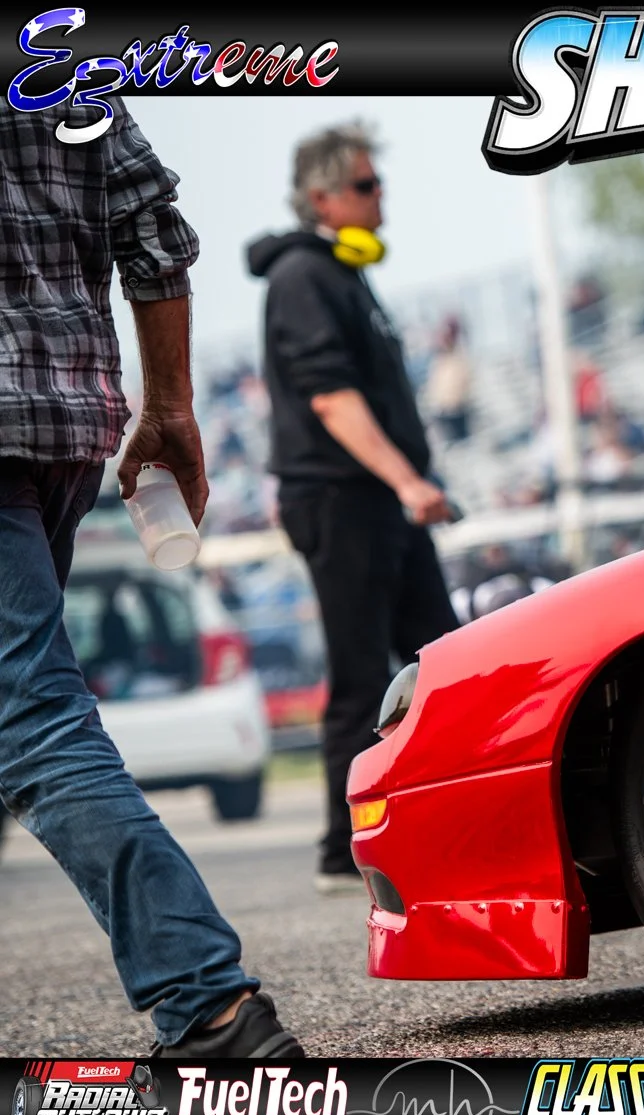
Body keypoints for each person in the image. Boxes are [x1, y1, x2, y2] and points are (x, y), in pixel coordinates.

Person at [0, 99, 301, 1057]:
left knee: (31, 722)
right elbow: (151, 225)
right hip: (62, 427)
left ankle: (211, 1008)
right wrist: (169, 403)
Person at [246, 122, 460, 895]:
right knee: (361, 672)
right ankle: (343, 851)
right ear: (322, 197)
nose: (380, 197)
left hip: (381, 499)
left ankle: (448, 820)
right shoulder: (302, 276)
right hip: (343, 499)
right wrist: (408, 483)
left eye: (378, 183)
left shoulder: (343, 271)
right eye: (366, 186)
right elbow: (331, 400)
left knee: (442, 660)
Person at [424, 315, 473, 444]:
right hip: (441, 412)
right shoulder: (438, 359)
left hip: (457, 412)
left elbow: (461, 385)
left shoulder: (460, 357)